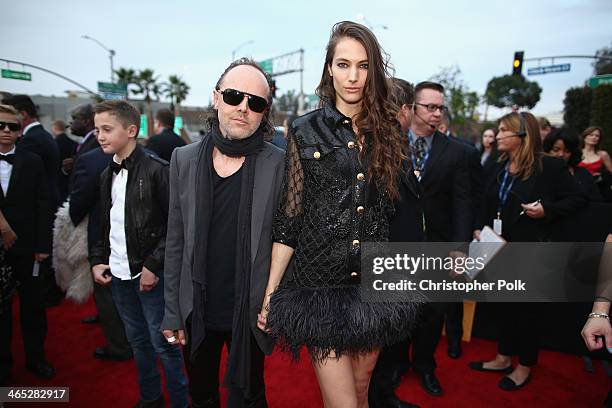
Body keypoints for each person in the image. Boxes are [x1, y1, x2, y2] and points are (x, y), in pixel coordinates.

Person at [259, 21, 421, 408]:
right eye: (344, 64)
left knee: (362, 393)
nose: (353, 76)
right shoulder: (303, 130)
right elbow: (290, 217)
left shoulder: (391, 134)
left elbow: (400, 211)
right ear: (329, 68)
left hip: (375, 283)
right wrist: (270, 293)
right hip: (319, 286)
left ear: (373, 71)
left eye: (363, 66)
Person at [161, 58, 285, 408]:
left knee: (249, 397)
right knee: (200, 396)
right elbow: (175, 239)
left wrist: (279, 299)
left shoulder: (279, 164)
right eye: (234, 96)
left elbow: (288, 239)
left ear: (264, 113)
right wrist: (172, 309)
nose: (243, 108)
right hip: (196, 307)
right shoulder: (182, 160)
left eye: (256, 102)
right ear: (216, 98)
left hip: (249, 311)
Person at [470, 111, 587, 391]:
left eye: (502, 131)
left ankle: (524, 367)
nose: (497, 135)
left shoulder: (550, 167)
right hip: (498, 251)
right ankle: (502, 358)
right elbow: (487, 204)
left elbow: (579, 198)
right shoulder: (500, 167)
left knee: (527, 314)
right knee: (503, 308)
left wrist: (547, 210)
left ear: (522, 135)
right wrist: (479, 229)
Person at [89, 100, 188, 408]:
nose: (100, 136)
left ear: (131, 130)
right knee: (138, 343)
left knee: (166, 346)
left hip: (151, 279)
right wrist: (97, 259)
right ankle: (151, 399)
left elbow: (178, 224)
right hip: (118, 276)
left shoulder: (158, 171)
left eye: (107, 129)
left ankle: (182, 404)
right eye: (97, 130)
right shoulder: (107, 174)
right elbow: (104, 223)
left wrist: (153, 266)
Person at [403, 81, 476, 397]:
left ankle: (424, 365)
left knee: (433, 315)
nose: (436, 113)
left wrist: (460, 248)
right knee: (398, 311)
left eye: (440, 108)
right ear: (413, 108)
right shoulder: (390, 145)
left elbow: (463, 203)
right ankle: (393, 366)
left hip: (440, 246)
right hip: (399, 244)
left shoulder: (458, 152)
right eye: (429, 107)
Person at [369, 77, 423, 408]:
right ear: (403, 109)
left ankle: (384, 396)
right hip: (389, 265)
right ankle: (380, 400)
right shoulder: (383, 147)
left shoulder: (394, 144)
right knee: (379, 347)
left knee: (388, 345)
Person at [0, 104, 55, 383]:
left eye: (13, 126)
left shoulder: (32, 160)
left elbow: (44, 204)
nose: (7, 132)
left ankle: (36, 359)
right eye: (1, 126)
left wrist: (43, 245)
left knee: (33, 307)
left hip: (29, 247)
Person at [69, 145, 132, 361]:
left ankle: (120, 346)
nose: (100, 135)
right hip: (134, 242)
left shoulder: (91, 160)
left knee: (107, 293)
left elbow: (78, 203)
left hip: (104, 240)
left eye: (104, 128)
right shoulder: (148, 156)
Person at [544, 131, 602, 201]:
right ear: (547, 150)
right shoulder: (539, 172)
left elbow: (596, 201)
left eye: (567, 151)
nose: (561, 154)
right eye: (556, 150)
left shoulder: (583, 173)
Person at [51, 119, 77, 203]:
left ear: (54, 128)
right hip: (71, 179)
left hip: (57, 180)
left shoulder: (53, 143)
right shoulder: (73, 143)